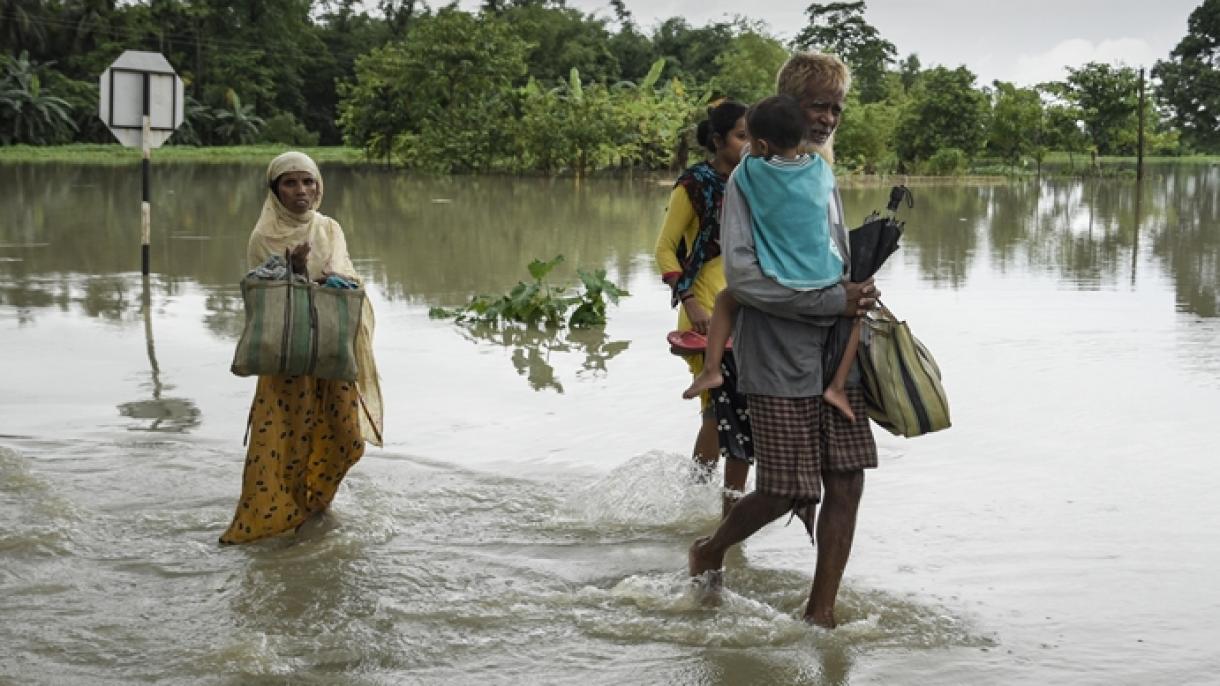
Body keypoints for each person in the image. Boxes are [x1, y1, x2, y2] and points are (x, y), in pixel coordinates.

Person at [686, 53, 881, 629]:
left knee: (847, 480)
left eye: (836, 109)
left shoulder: (821, 171)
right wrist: (829, 300)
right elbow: (743, 279)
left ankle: (820, 614)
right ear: (791, 108)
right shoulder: (749, 178)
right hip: (773, 354)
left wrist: (858, 289)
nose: (828, 119)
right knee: (787, 487)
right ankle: (710, 549)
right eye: (819, 106)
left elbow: (832, 253)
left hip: (834, 347)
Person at [219, 151, 384, 545]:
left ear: (319, 187)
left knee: (344, 438)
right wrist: (291, 272)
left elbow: (349, 277)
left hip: (329, 354)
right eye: (290, 183)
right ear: (275, 190)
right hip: (288, 360)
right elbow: (263, 297)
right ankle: (275, 520)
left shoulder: (329, 228)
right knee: (284, 443)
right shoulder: (264, 236)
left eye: (308, 182)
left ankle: (315, 508)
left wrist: (334, 278)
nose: (301, 191)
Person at [683, 95, 860, 423]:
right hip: (829, 275)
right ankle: (837, 385)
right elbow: (837, 229)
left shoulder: (748, 174)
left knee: (726, 298)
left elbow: (751, 158)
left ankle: (710, 370)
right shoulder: (821, 170)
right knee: (858, 313)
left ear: (760, 144)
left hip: (781, 276)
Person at [654, 100, 752, 510]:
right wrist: (691, 305)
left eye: (752, 136)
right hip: (705, 304)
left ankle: (718, 506)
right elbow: (663, 251)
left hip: (745, 304)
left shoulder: (753, 182)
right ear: (717, 140)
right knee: (717, 407)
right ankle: (701, 501)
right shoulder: (693, 185)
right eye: (740, 136)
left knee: (735, 405)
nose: (748, 145)